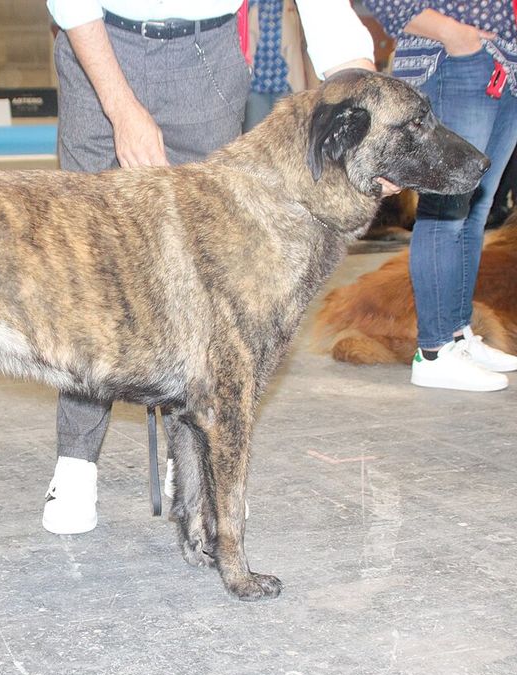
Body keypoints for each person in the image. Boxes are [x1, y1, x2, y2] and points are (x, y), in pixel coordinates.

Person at [42, 0, 376, 535]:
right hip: (99, 44)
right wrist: (122, 110)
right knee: (93, 276)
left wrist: (373, 115)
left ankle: (195, 470)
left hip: (207, 54)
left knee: (212, 280)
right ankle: (77, 463)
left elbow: (329, 14)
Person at [364, 2, 517, 392]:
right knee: (445, 211)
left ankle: (457, 335)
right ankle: (433, 353)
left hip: (507, 64)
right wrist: (453, 34)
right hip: (456, 57)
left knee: (475, 211)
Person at [243, 0, 319, 132]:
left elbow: (305, 47)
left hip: (286, 87)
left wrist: (315, 87)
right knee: (254, 141)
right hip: (255, 87)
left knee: (289, 139)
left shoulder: (293, 6)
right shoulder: (248, 5)